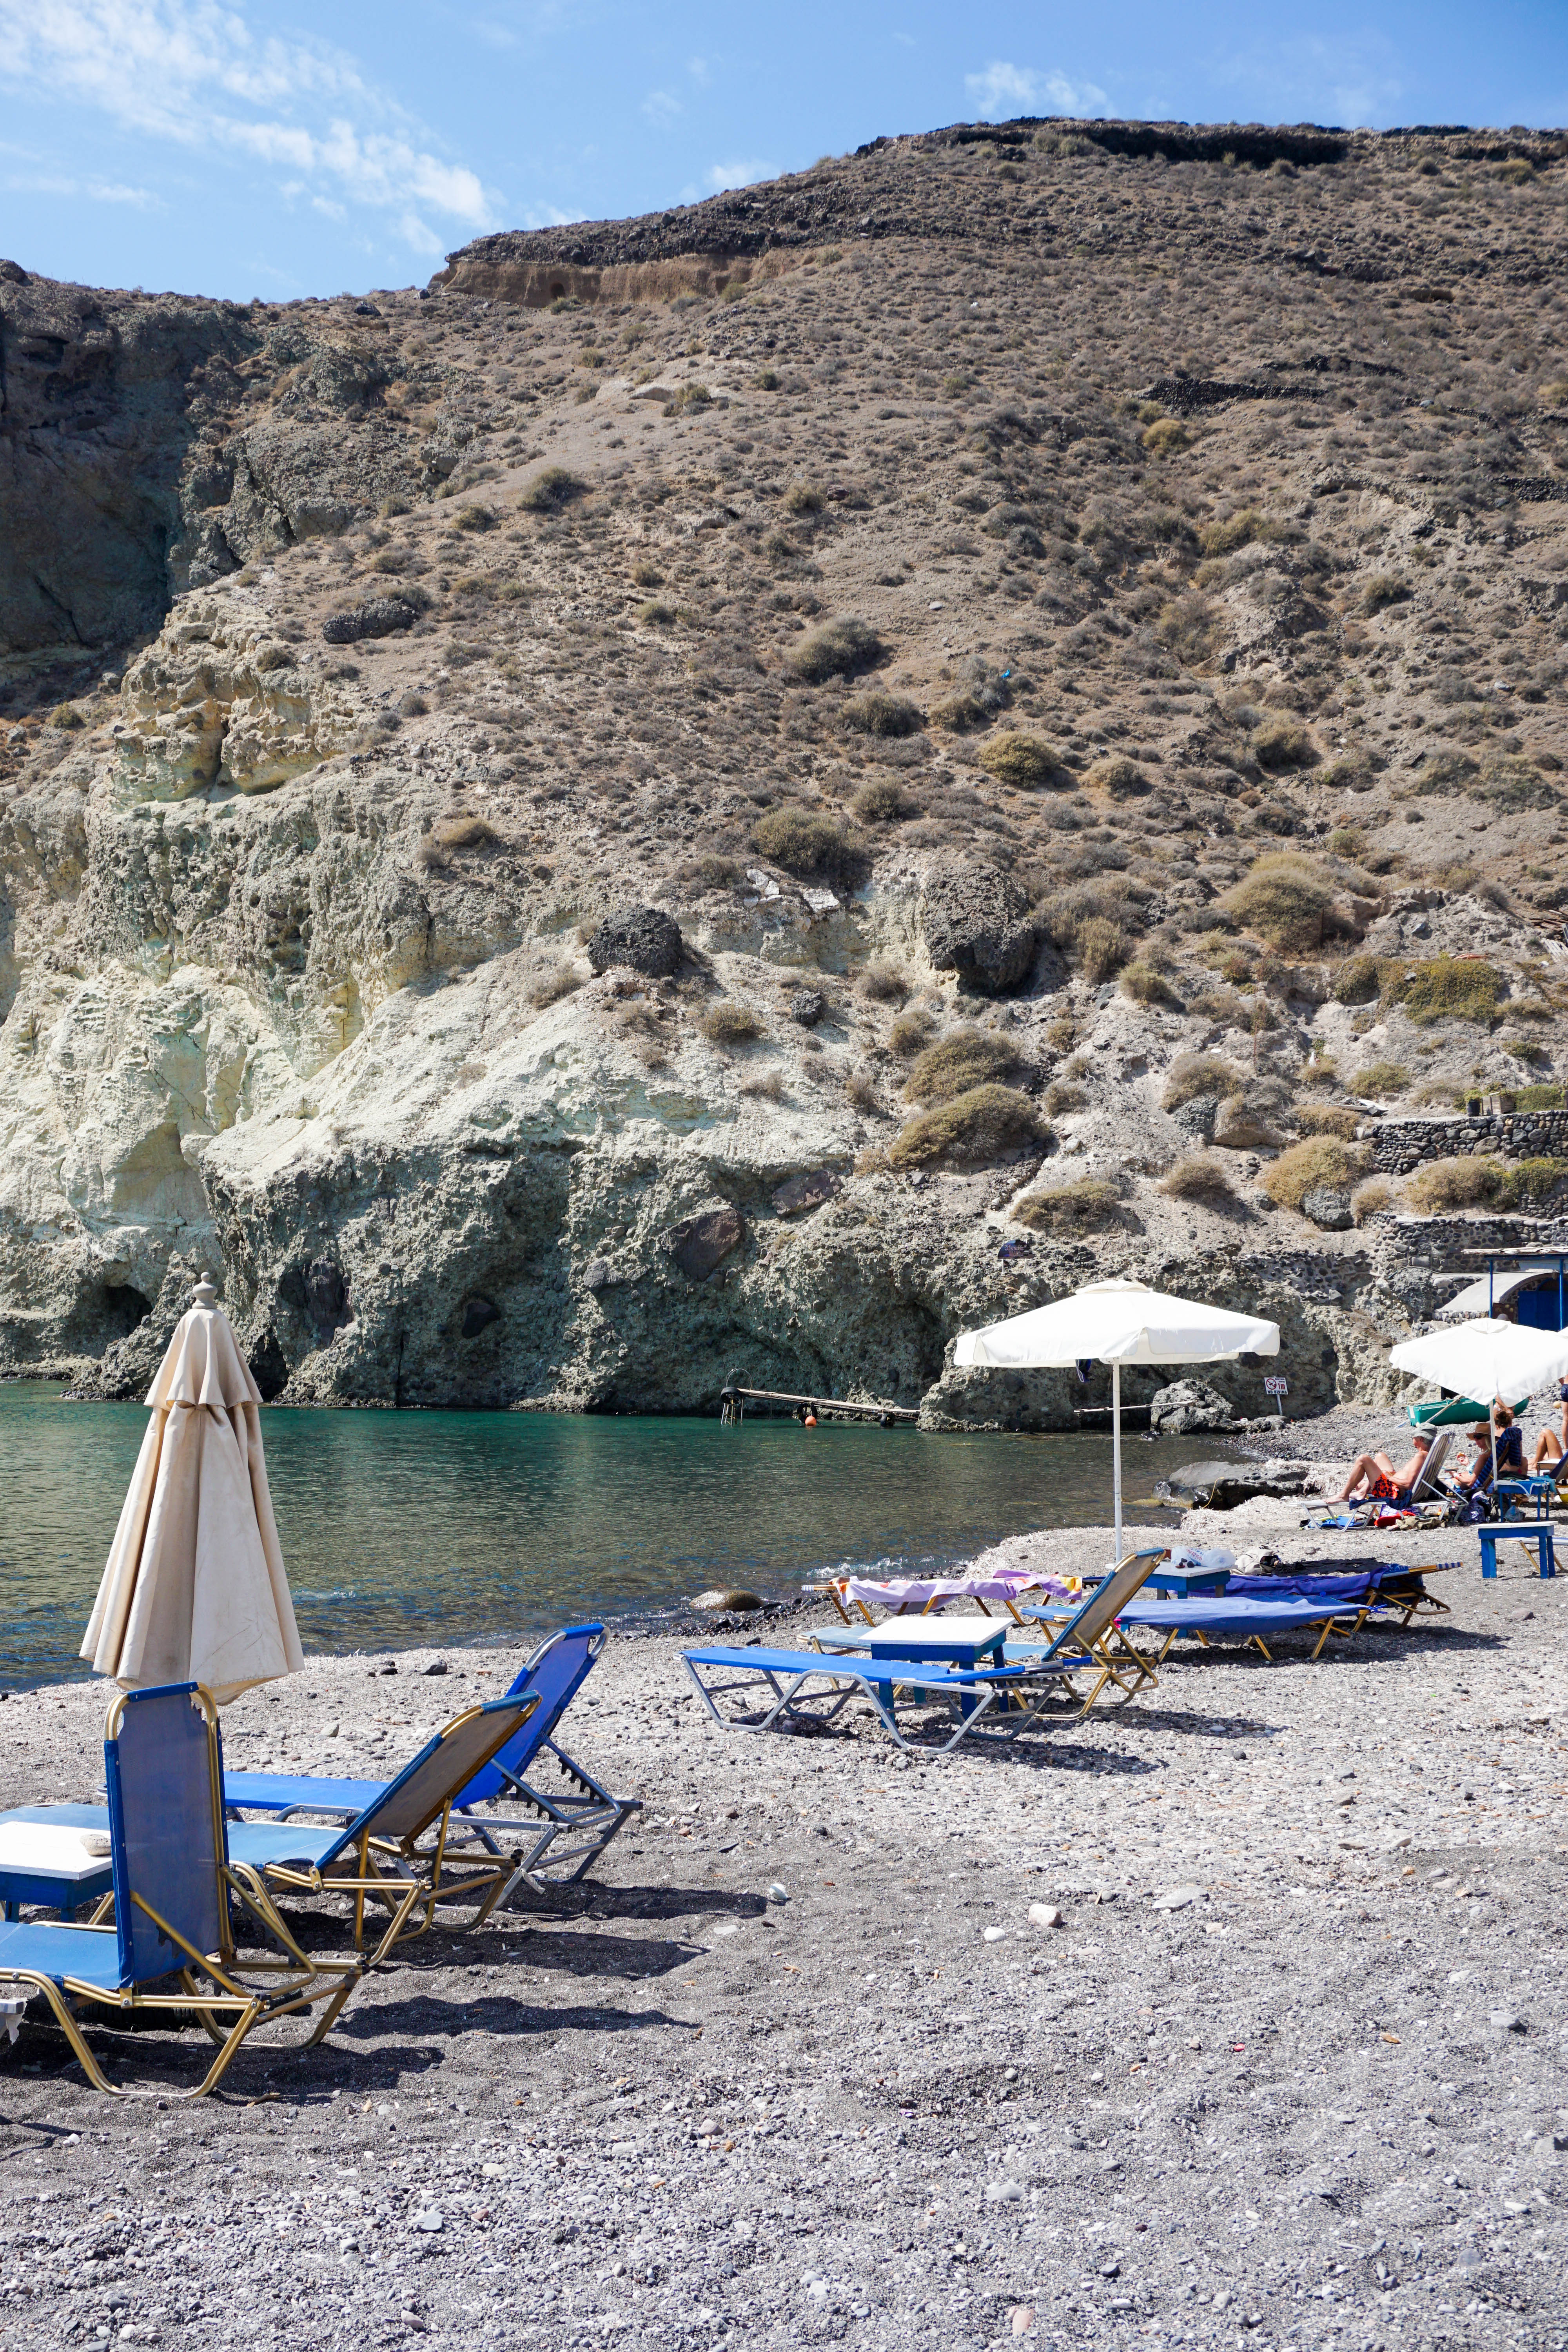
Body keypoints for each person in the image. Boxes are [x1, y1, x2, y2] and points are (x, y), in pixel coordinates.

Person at [1334, 1427, 1433, 1505]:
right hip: (1395, 1486)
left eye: (1414, 1437)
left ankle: (1344, 1495)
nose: (1413, 1439)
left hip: (1392, 1492)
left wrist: (1389, 1478)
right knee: (1380, 1456)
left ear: (1421, 1439)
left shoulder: (1420, 1457)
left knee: (1363, 1459)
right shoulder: (1430, 1455)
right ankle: (1363, 1491)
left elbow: (1408, 1484)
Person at [1451, 1405, 1524, 1499]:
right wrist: (1468, 1464)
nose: (1476, 1440)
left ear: (1487, 1439)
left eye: (1478, 1437)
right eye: (1475, 1437)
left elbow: (1471, 1482)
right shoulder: (1493, 1453)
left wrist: (1455, 1474)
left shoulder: (1485, 1456)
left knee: (1444, 1484)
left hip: (1474, 1486)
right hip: (1486, 1482)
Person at [1528, 1381, 1568, 1477]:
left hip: (1563, 1470)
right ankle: (1534, 1465)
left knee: (1546, 1432)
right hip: (1563, 1468)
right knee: (1546, 1435)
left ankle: (1534, 1465)